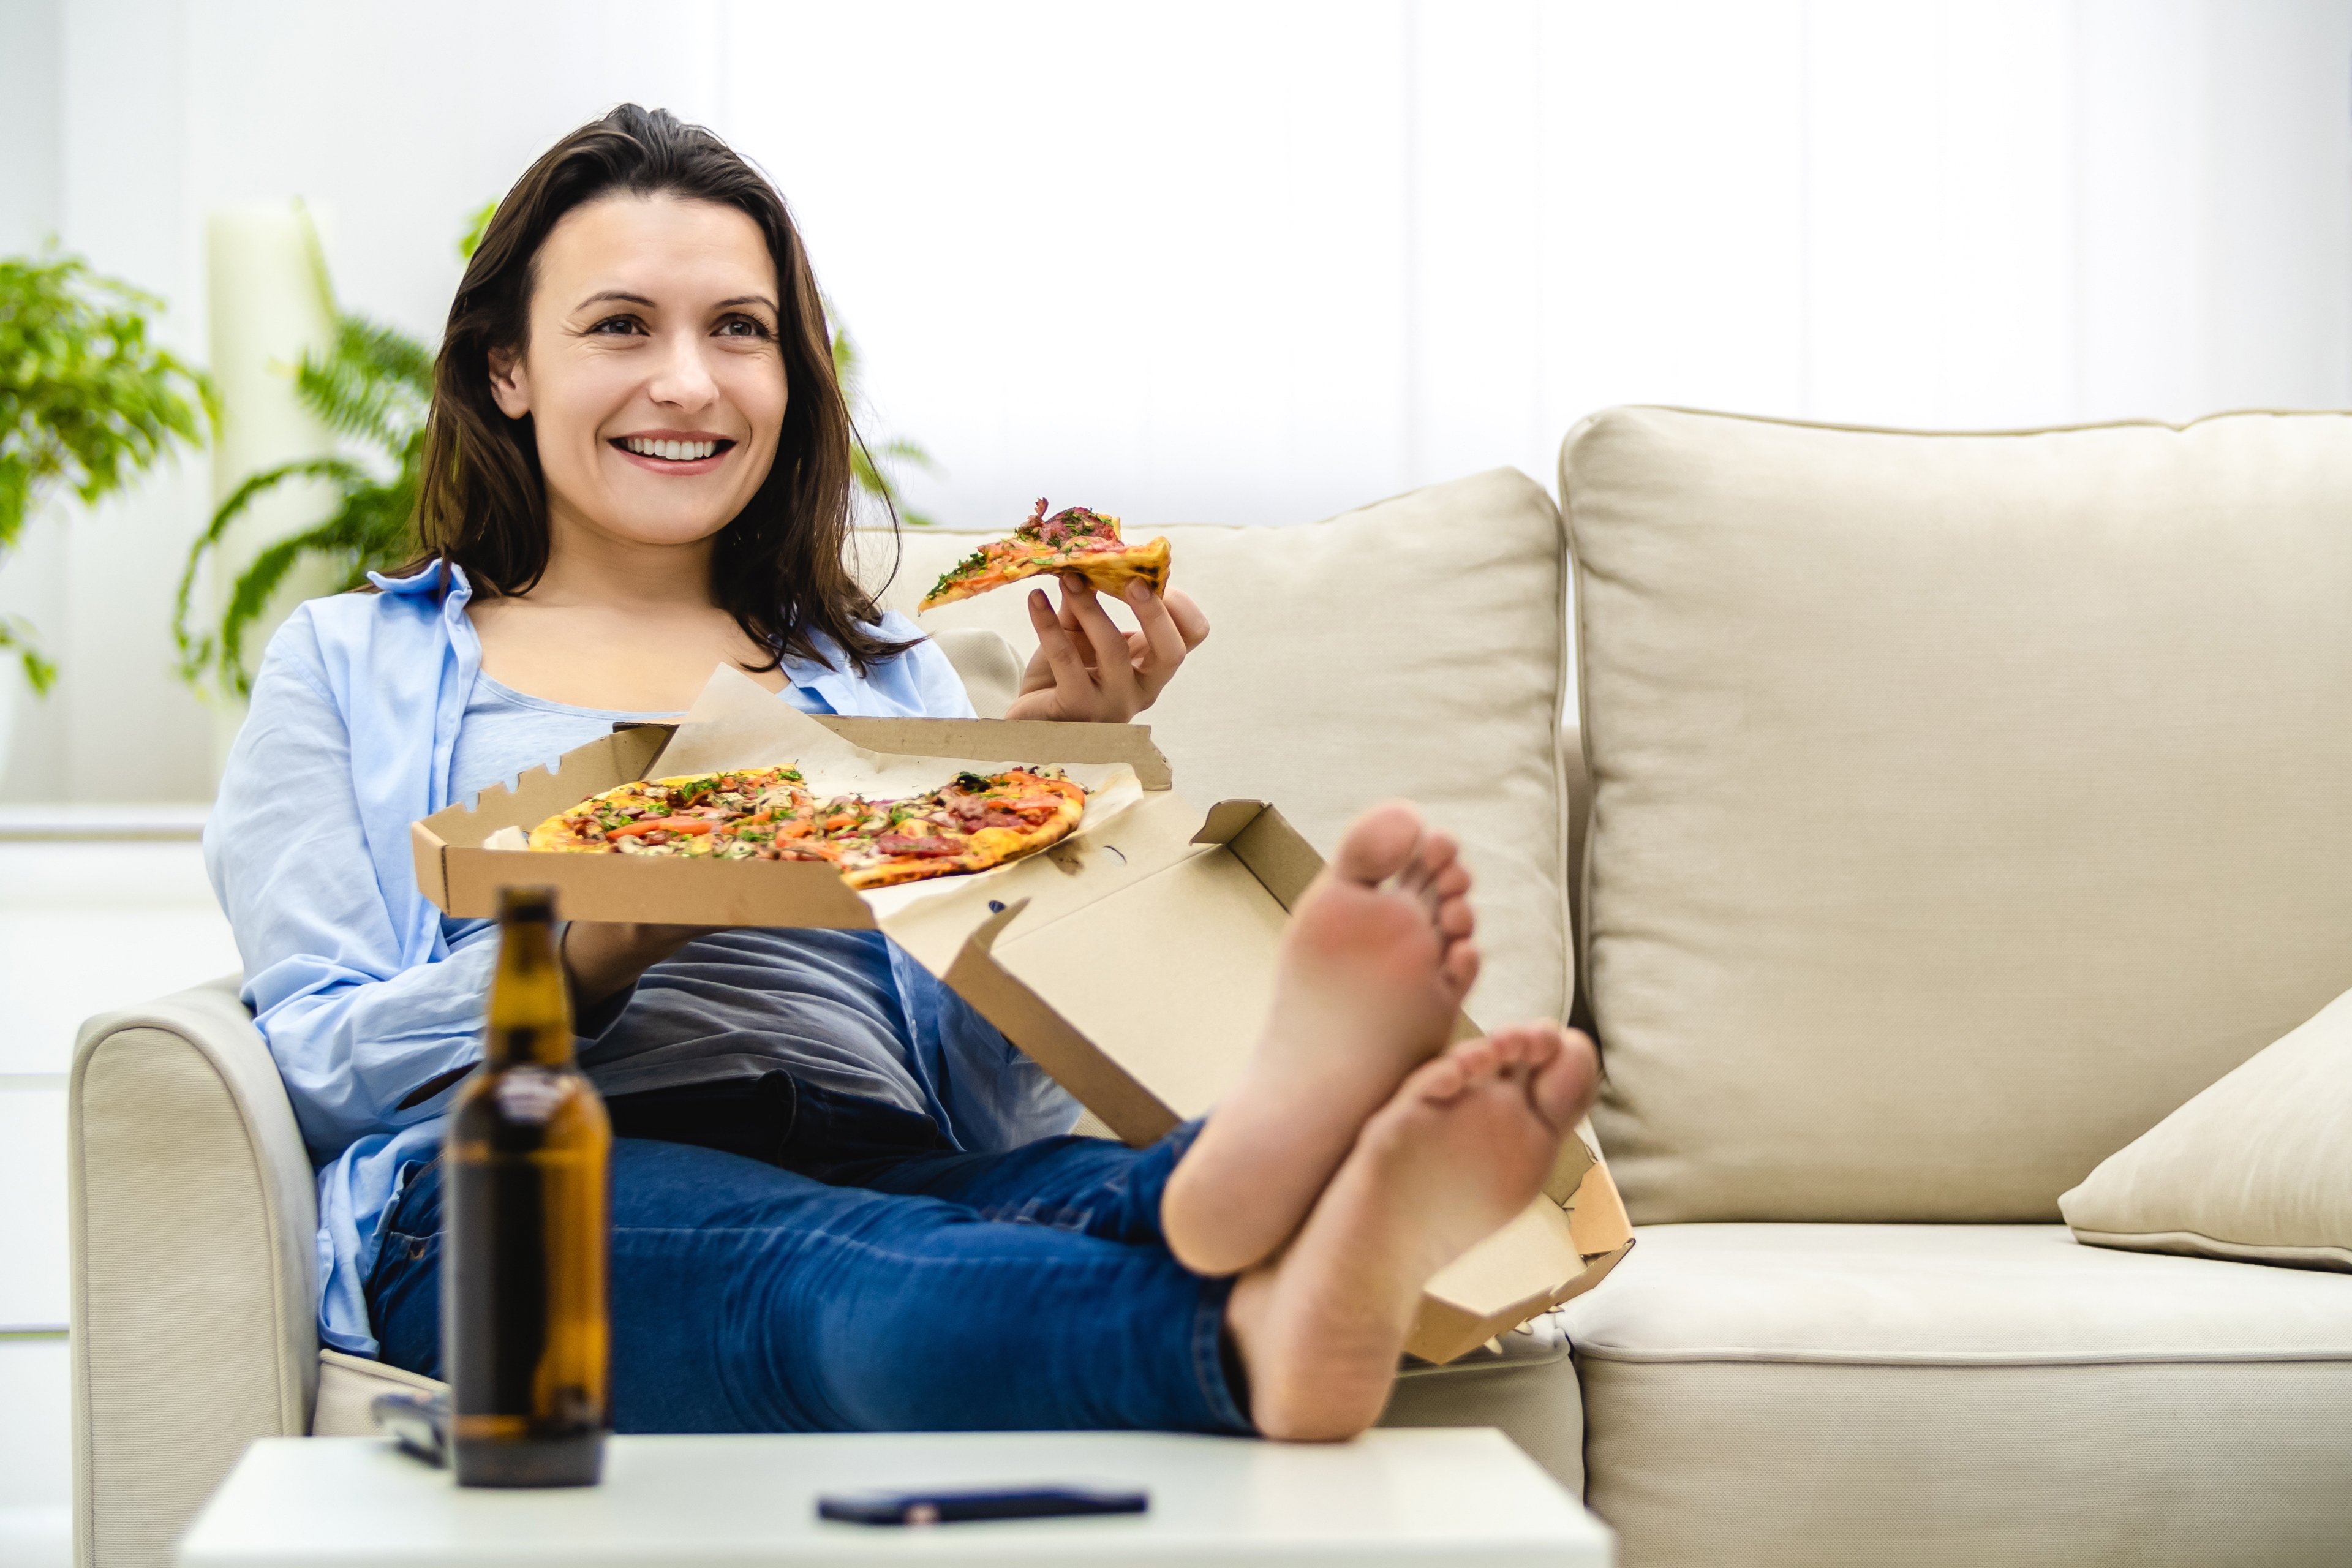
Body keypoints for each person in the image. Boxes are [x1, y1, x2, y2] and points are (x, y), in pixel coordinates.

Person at [206, 104, 1599, 1441]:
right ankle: (1242, 1333)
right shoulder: (346, 666)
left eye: (738, 331)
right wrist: (591, 948)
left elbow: (992, 1103)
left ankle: (1250, 1162)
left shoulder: (880, 681)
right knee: (823, 1272)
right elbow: (314, 1065)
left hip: (884, 1143)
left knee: (1053, 1193)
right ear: (507, 366)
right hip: (529, 1174)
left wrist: (1055, 785)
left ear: (789, 377)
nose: (688, 380)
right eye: (621, 325)